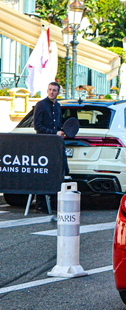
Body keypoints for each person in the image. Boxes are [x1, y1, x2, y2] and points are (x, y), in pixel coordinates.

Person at [33, 82, 65, 213]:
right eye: (50, 90)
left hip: (54, 146)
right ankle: (40, 203)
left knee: (54, 173)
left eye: (54, 90)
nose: (52, 92)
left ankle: (53, 202)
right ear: (47, 91)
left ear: (58, 93)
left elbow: (58, 124)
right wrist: (53, 133)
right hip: (43, 144)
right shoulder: (41, 105)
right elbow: (37, 126)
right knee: (43, 173)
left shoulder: (57, 106)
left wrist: (61, 132)